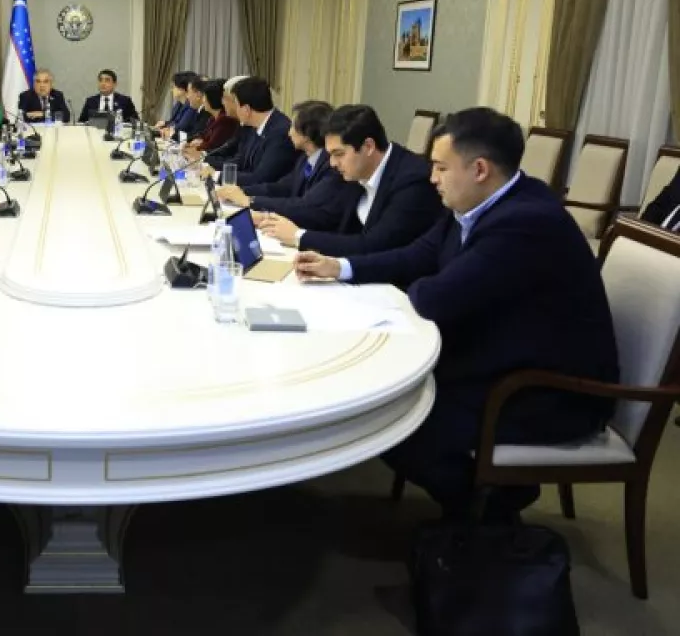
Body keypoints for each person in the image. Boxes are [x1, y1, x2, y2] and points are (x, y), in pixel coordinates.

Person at [295, 108, 619, 521]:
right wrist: (340, 267)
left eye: (440, 167)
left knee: (394, 423)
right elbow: (419, 255)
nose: (432, 178)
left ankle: (488, 514)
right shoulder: (479, 203)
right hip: (503, 352)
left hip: (550, 392)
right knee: (390, 404)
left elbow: (437, 299)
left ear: (479, 169)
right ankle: (487, 501)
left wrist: (412, 288)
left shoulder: (526, 222)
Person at [258, 104, 440, 254]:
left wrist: (299, 236)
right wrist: (267, 218)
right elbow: (324, 214)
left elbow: (374, 245)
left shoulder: (413, 182)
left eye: (339, 154)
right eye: (330, 154)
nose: (332, 163)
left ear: (368, 147)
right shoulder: (356, 170)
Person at [220, 100, 355, 232]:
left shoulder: (332, 166)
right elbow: (281, 187)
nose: (289, 132)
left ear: (307, 134)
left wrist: (250, 201)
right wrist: (239, 192)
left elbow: (305, 205)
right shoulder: (305, 158)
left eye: (292, 127)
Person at [207, 76, 297, 188]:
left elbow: (260, 178)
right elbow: (242, 161)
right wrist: (209, 164)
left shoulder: (280, 133)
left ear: (246, 110)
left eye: (236, 105)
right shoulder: (257, 126)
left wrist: (216, 175)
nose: (235, 110)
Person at [183, 79, 237, 155]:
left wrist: (200, 145)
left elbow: (212, 146)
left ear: (212, 98)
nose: (203, 100)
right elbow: (203, 135)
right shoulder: (213, 118)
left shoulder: (225, 120)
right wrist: (197, 141)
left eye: (204, 96)